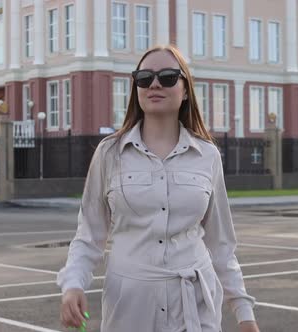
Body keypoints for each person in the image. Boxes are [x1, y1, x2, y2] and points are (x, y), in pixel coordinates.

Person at [57, 45, 260, 332]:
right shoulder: (109, 153)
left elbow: (221, 244)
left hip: (195, 305)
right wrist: (73, 284)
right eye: (144, 77)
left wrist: (244, 312)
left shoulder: (207, 155)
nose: (154, 84)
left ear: (186, 90)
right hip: (130, 307)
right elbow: (89, 235)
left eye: (167, 77)